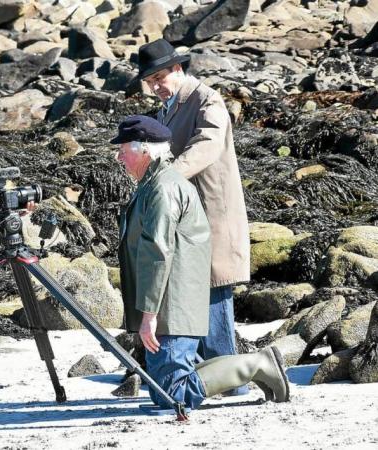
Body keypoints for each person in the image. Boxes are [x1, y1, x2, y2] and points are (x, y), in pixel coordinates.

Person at [113, 115, 289, 411]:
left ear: (144, 149)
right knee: (163, 392)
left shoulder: (163, 188)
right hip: (172, 302)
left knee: (172, 394)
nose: (118, 157)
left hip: (173, 304)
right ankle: (254, 364)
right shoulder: (154, 183)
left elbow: (158, 252)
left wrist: (148, 315)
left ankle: (257, 364)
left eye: (123, 150)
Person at [136, 39, 252, 396]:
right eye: (150, 81)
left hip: (213, 224)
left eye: (160, 77)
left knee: (216, 318)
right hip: (189, 228)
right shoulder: (169, 107)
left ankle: (239, 386)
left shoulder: (207, 99)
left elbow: (208, 143)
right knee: (197, 315)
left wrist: (168, 175)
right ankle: (223, 385)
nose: (156, 86)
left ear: (178, 69)